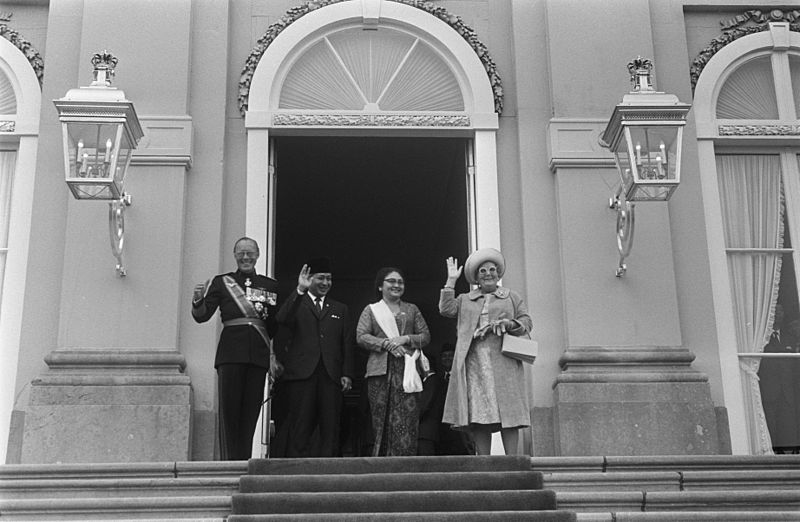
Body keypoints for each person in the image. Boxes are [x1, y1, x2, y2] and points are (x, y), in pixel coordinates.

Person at [191, 237, 280, 460]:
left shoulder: (270, 286)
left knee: (250, 414)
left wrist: (273, 356)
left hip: (257, 356)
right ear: (235, 255)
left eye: (250, 253)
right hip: (230, 355)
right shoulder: (222, 283)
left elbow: (275, 326)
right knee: (229, 414)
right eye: (240, 253)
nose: (245, 257)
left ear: (258, 255)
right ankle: (228, 463)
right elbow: (202, 316)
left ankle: (243, 461)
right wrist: (197, 301)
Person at [439, 248, 533, 455]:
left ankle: (512, 461)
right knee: (479, 413)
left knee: (508, 413)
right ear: (476, 278)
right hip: (475, 363)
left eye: (492, 269)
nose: (488, 273)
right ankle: (485, 463)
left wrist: (509, 323)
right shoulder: (465, 299)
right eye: (482, 271)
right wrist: (450, 282)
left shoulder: (511, 297)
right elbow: (446, 310)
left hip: (504, 361)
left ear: (499, 274)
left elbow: (527, 322)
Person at [274, 257, 355, 457]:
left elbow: (347, 343)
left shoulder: (340, 309)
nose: (326, 283)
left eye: (329, 279)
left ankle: (329, 474)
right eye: (321, 278)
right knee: (300, 426)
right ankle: (297, 472)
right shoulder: (297, 302)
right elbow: (282, 319)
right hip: (302, 375)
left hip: (331, 375)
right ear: (309, 279)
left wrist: (347, 374)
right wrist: (299, 290)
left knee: (331, 427)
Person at [356, 267, 431, 456]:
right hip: (380, 373)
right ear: (380, 286)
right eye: (391, 281)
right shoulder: (371, 310)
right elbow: (361, 336)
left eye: (400, 282)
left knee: (407, 419)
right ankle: (382, 465)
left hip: (408, 371)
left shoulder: (412, 309)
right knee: (381, 418)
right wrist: (386, 344)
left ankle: (405, 463)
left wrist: (406, 339)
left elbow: (426, 337)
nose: (397, 285)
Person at [759, 304, 800, 453]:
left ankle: (791, 451)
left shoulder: (790, 338)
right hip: (769, 390)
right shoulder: (760, 339)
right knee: (772, 424)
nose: (778, 314)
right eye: (774, 311)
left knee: (789, 424)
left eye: (781, 311)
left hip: (788, 391)